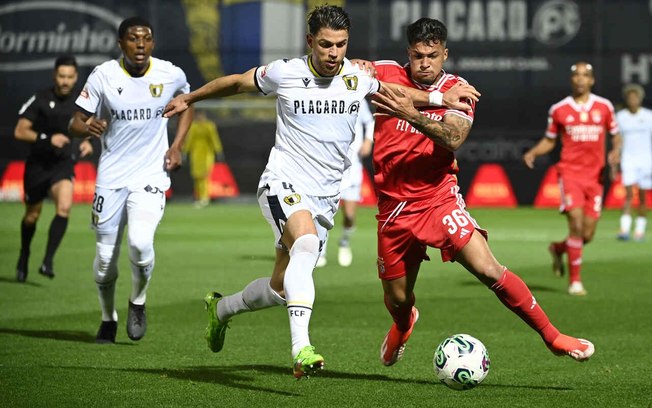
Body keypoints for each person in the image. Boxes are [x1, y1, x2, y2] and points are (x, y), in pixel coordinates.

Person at [163, 5, 477, 379]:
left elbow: (397, 93)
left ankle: (222, 310)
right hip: (284, 181)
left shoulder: (357, 78)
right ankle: (301, 348)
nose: (334, 53)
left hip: (325, 194)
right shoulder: (285, 72)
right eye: (326, 45)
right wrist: (191, 98)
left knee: (282, 288)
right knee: (307, 245)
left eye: (341, 45)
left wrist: (444, 100)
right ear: (310, 41)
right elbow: (235, 82)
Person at [368, 18, 594, 369]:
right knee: (397, 298)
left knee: (488, 268)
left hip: (437, 199)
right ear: (407, 54)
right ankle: (403, 323)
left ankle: (552, 336)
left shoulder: (460, 89)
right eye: (417, 55)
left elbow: (453, 137)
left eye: (432, 55)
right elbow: (345, 76)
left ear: (445, 54)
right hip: (393, 207)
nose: (425, 62)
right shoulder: (384, 72)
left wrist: (409, 112)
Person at [68, 17, 193, 344]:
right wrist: (88, 125)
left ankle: (137, 301)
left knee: (140, 243)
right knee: (105, 262)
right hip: (111, 178)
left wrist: (177, 146)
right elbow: (75, 122)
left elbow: (187, 104)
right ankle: (108, 317)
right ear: (120, 44)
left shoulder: (170, 73)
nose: (140, 44)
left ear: (152, 43)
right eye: (133, 39)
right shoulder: (104, 76)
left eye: (146, 38)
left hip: (151, 175)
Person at [523, 62, 621, 296]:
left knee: (587, 234)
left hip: (595, 176)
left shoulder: (604, 107)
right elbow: (550, 139)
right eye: (576, 75)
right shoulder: (559, 109)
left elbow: (616, 136)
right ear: (571, 80)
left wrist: (615, 151)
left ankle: (558, 248)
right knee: (576, 224)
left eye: (585, 76)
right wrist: (534, 152)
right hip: (570, 174)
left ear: (592, 80)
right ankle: (575, 282)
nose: (580, 79)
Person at [14, 55, 95, 282]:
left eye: (70, 77)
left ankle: (48, 261)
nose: (65, 81)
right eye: (61, 76)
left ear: (76, 77)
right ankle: (24, 254)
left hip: (63, 164)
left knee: (64, 207)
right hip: (38, 164)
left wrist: (88, 142)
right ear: (54, 75)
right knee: (32, 216)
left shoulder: (82, 101)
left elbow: (90, 126)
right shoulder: (40, 98)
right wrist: (47, 138)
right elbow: (20, 131)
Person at [316, 98, 374, 267]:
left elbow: (369, 121)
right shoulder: (324, 98)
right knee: (324, 214)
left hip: (352, 167)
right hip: (328, 165)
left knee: (349, 216)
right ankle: (321, 251)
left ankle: (344, 242)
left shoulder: (356, 96)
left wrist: (368, 141)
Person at [615, 83, 652, 242]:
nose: (633, 100)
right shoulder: (621, 116)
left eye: (635, 97)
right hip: (628, 159)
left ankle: (640, 229)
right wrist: (615, 159)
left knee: (643, 197)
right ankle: (624, 228)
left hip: (646, 160)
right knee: (629, 194)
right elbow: (617, 140)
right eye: (630, 98)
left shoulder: (649, 116)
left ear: (640, 99)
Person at [183, 109, 224, 208]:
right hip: (195, 154)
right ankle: (198, 196)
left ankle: (205, 198)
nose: (199, 117)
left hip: (207, 154)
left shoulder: (209, 126)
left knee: (205, 176)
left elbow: (214, 139)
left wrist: (218, 151)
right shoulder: (193, 126)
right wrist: (185, 152)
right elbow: (189, 140)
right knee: (196, 176)